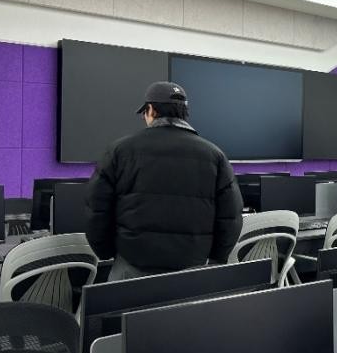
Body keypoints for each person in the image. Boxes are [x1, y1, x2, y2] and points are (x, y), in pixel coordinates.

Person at [86, 81, 243, 281]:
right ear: (184, 113)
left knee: (126, 304)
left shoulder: (120, 151)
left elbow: (97, 210)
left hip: (132, 268)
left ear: (151, 110)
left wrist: (106, 252)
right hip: (192, 271)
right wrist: (216, 258)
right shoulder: (215, 155)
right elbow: (231, 217)